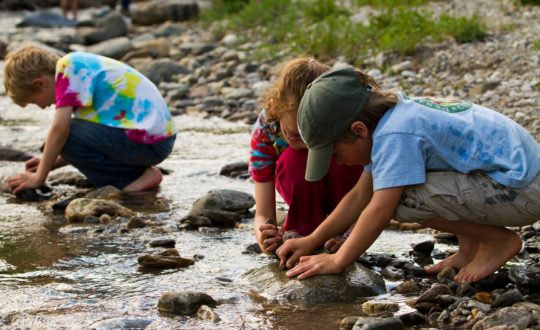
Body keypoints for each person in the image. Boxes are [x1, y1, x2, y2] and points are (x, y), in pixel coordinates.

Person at [277, 66, 540, 283]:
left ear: (358, 131)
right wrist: (312, 239)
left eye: (335, 154)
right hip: (517, 177)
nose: (340, 163)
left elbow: (379, 210)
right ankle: (469, 249)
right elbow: (359, 194)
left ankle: (497, 241)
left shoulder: (395, 135)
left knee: (402, 199)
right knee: (399, 183)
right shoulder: (393, 118)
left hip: (523, 189)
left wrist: (338, 260)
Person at [4, 46, 176, 194]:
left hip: (147, 142)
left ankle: (132, 179)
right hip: (155, 140)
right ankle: (138, 173)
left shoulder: (68, 68)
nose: (41, 107)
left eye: (34, 101)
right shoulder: (79, 71)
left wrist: (39, 177)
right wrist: (49, 164)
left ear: (40, 83)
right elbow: (90, 143)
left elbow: (60, 130)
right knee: (58, 142)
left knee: (62, 135)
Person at [250, 58, 363, 255]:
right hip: (300, 182)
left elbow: (372, 183)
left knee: (347, 151)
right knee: (294, 158)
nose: (307, 144)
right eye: (295, 135)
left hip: (348, 190)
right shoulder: (267, 129)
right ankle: (303, 228)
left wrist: (355, 231)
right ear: (276, 108)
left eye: (312, 136)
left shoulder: (344, 116)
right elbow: (262, 213)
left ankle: (343, 227)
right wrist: (264, 236)